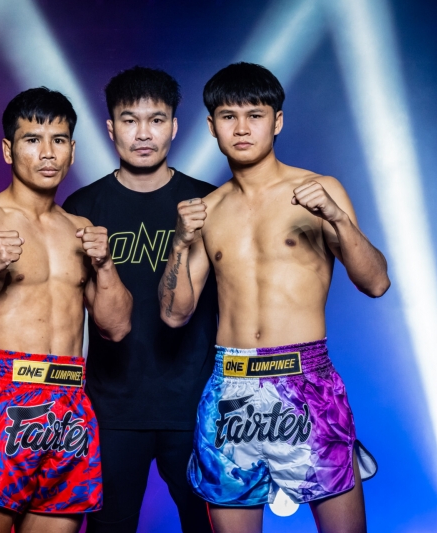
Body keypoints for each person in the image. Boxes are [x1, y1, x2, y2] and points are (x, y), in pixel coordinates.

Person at [158, 62, 390, 533]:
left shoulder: (319, 190)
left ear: (277, 121)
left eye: (255, 115)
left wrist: (337, 219)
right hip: (232, 388)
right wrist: (179, 243)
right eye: (229, 116)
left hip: (306, 383)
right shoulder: (209, 209)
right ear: (212, 126)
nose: (242, 128)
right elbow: (174, 314)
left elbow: (376, 283)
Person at [0, 87, 133, 533]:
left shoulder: (81, 230)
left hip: (71, 400)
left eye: (58, 140)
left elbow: (116, 328)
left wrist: (105, 264)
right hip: (5, 395)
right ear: (9, 150)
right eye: (32, 140)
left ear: (72, 150)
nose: (47, 153)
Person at [62, 66, 216, 533]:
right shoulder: (81, 209)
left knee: (208, 526)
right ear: (111, 129)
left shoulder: (208, 202)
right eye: (130, 121)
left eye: (156, 119)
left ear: (174, 126)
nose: (143, 134)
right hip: (112, 408)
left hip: (195, 404)